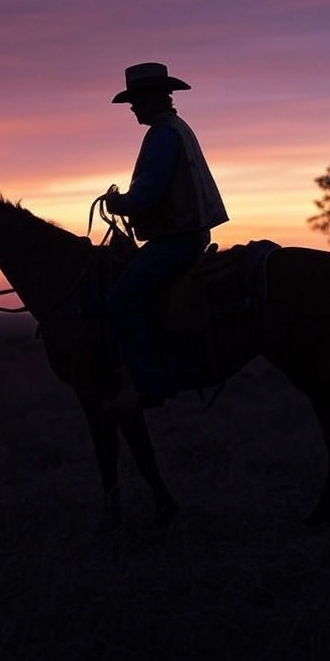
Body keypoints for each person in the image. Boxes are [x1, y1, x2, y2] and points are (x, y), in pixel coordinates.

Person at [102, 62, 228, 410]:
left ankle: (148, 383)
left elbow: (149, 193)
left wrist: (118, 203)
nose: (133, 108)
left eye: (136, 101)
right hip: (190, 233)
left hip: (177, 238)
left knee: (122, 299)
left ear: (153, 98)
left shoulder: (162, 135)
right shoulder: (176, 129)